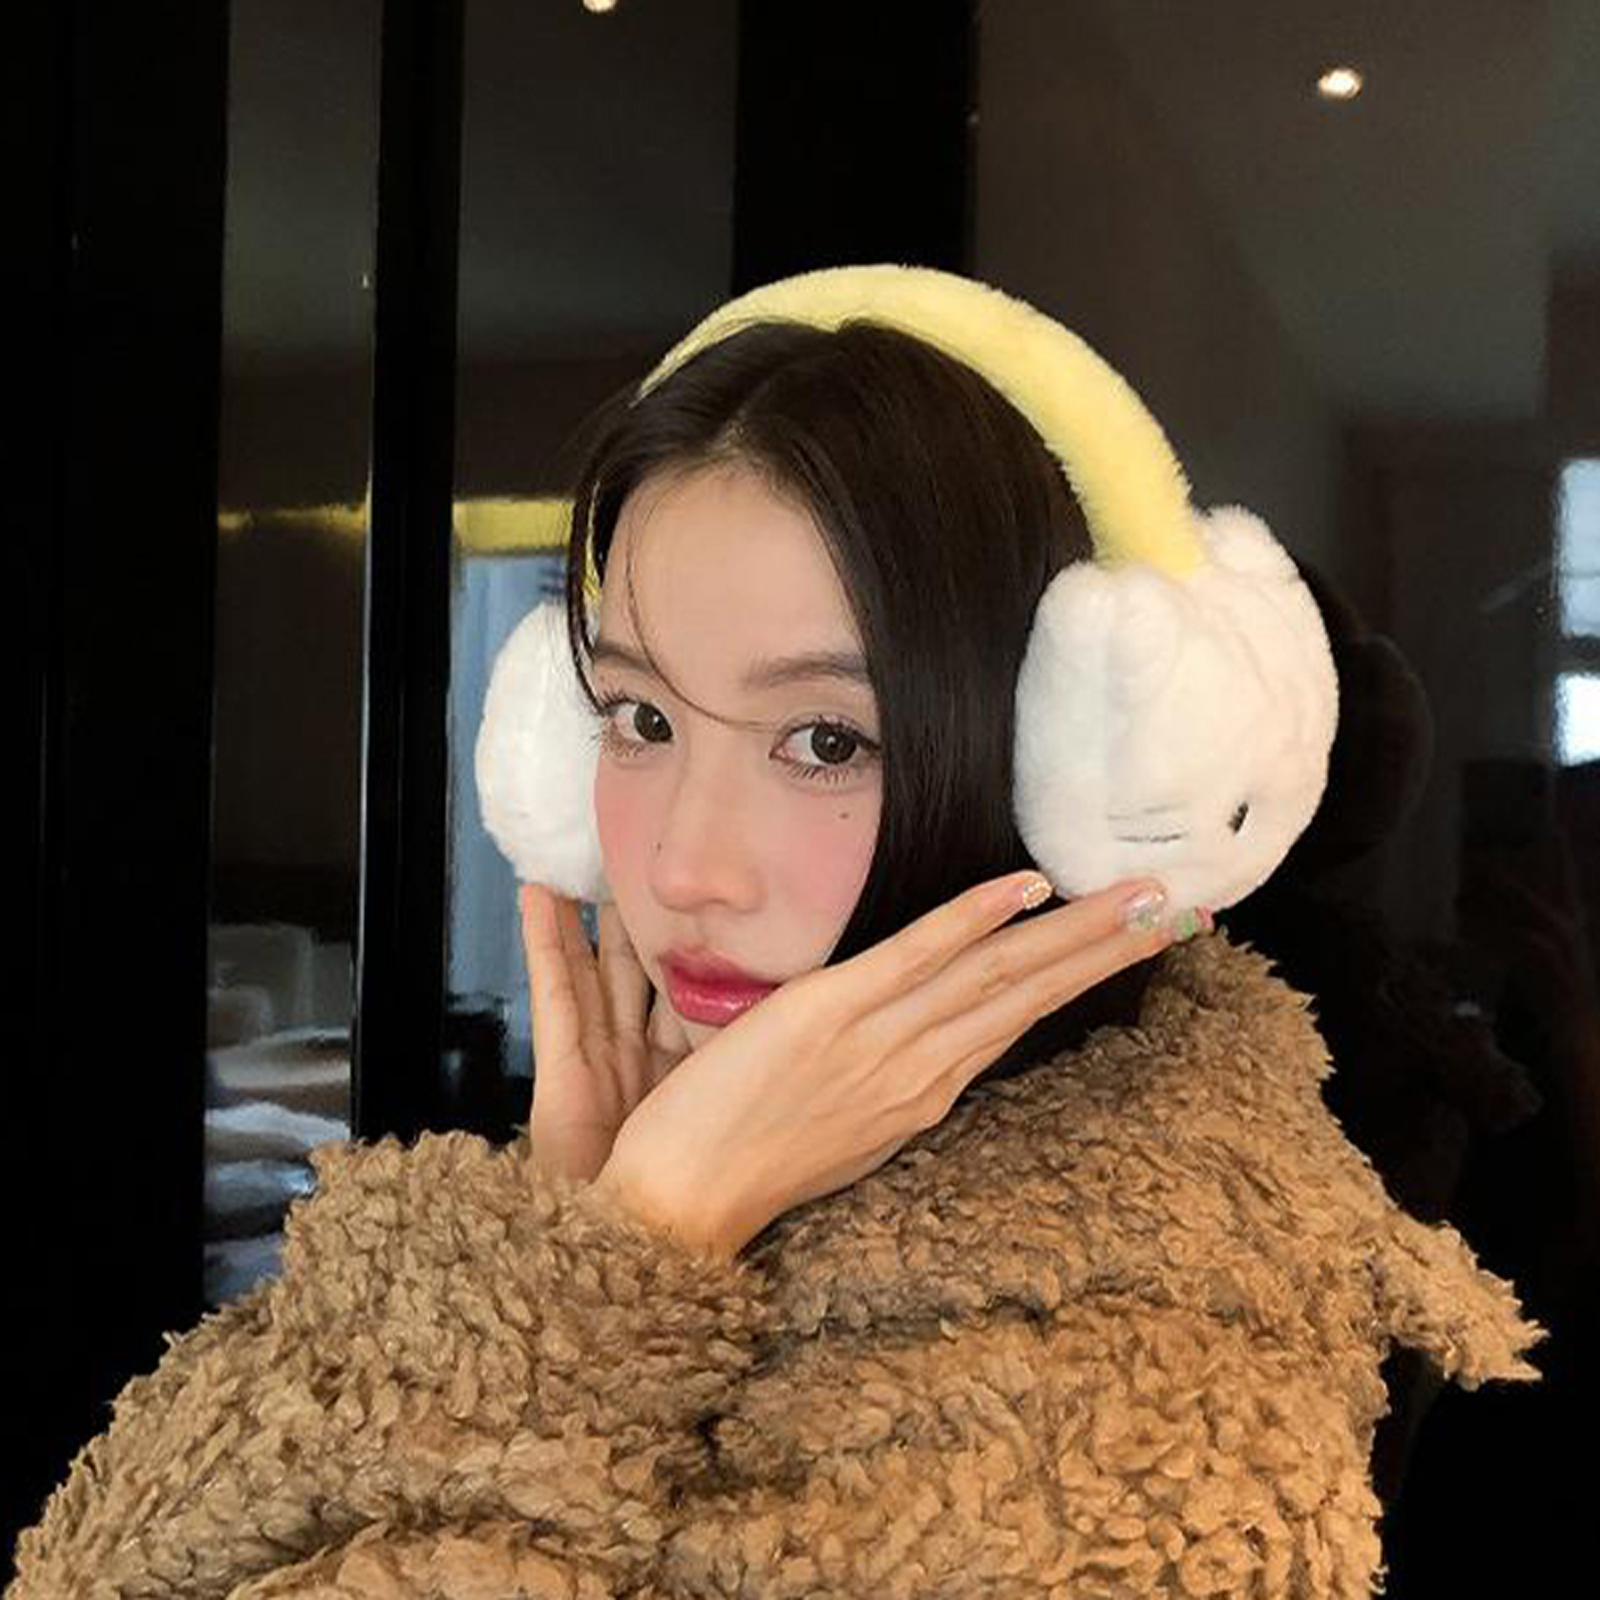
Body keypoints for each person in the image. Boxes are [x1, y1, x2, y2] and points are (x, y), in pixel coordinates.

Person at [8, 268, 1546, 1599]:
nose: (685, 866)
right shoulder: (622, 1185)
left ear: (1072, 773)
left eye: (826, 740)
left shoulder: (1146, 1402)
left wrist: (620, 1260)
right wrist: (581, 1227)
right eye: (639, 716)